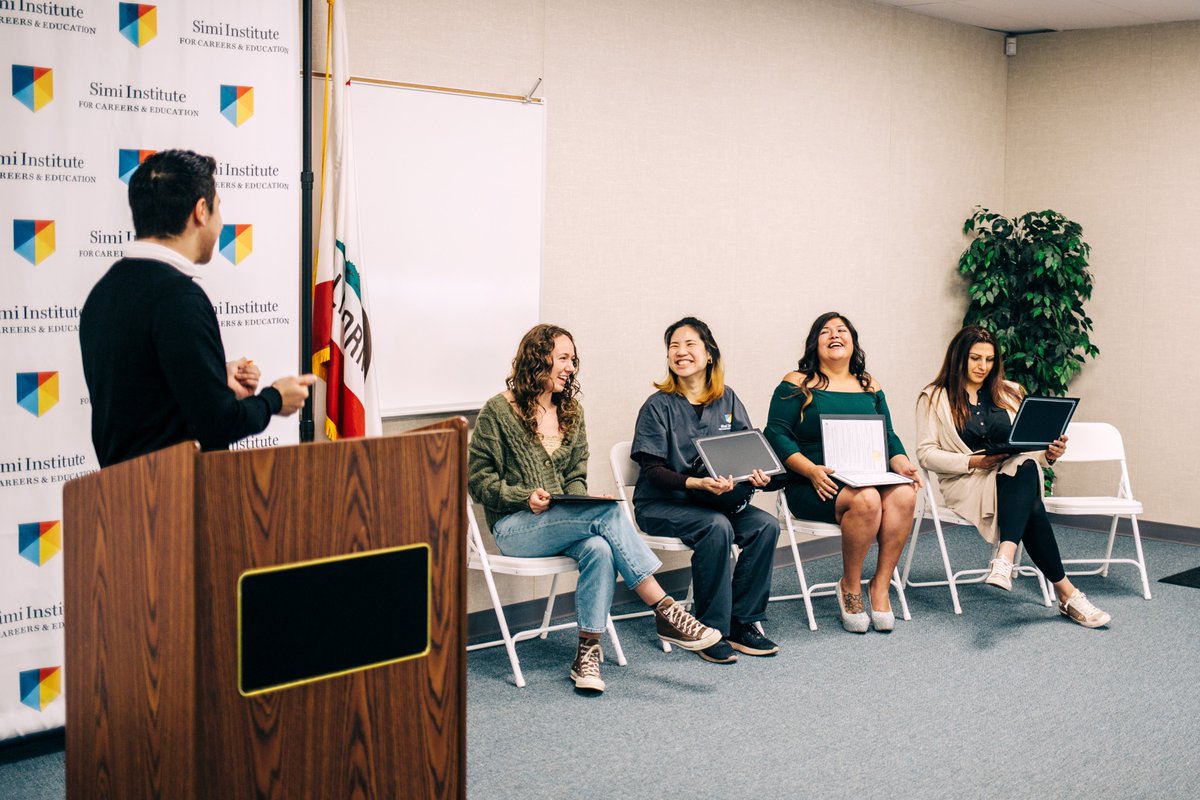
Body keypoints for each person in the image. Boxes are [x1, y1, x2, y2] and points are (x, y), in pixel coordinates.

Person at [468, 324, 720, 693]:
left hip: (563, 523)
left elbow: (574, 478)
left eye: (573, 359)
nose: (571, 367)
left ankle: (586, 654)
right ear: (538, 359)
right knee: (608, 515)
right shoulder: (498, 411)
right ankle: (666, 610)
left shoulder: (571, 411)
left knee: (600, 547)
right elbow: (478, 480)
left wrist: (579, 501)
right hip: (515, 528)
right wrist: (525, 497)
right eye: (563, 358)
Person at [80, 149, 314, 468]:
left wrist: (212, 378)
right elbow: (219, 424)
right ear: (201, 211)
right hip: (173, 493)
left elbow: (143, 402)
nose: (220, 223)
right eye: (218, 208)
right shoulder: (178, 298)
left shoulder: (103, 293)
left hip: (122, 493)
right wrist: (275, 398)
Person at [916, 325, 1110, 627]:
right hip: (967, 481)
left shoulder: (1010, 392)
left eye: (989, 359)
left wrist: (1049, 454)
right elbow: (926, 454)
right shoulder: (934, 397)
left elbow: (1027, 447)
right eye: (975, 358)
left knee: (1026, 466)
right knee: (1030, 502)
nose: (983, 366)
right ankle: (1067, 594)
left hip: (1010, 473)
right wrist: (974, 461)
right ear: (958, 358)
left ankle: (1005, 559)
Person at [631, 317, 781, 664]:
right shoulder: (657, 406)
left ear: (709, 354)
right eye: (673, 346)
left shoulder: (727, 399)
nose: (680, 352)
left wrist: (757, 476)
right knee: (716, 527)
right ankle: (710, 629)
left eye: (689, 344)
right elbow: (653, 472)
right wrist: (695, 482)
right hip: (663, 503)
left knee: (766, 526)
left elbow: (747, 451)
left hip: (715, 501)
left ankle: (741, 622)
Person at [765, 312, 920, 633]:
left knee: (905, 493)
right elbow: (776, 434)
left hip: (867, 477)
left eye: (841, 330)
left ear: (852, 341)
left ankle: (880, 585)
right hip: (814, 483)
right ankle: (850, 586)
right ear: (815, 343)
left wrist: (902, 463)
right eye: (825, 331)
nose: (834, 335)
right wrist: (811, 470)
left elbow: (888, 436)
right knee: (866, 500)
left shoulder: (869, 385)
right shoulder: (797, 382)